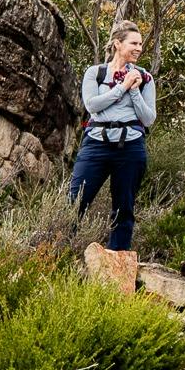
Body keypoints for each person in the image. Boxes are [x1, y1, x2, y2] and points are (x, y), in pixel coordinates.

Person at [68, 21, 156, 252]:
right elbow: (93, 106)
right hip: (96, 144)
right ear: (118, 44)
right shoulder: (95, 73)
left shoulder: (145, 78)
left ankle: (117, 259)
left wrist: (135, 90)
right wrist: (122, 87)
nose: (139, 48)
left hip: (131, 147)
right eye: (133, 43)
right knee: (75, 201)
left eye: (140, 44)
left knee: (124, 208)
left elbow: (148, 119)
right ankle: (59, 252)